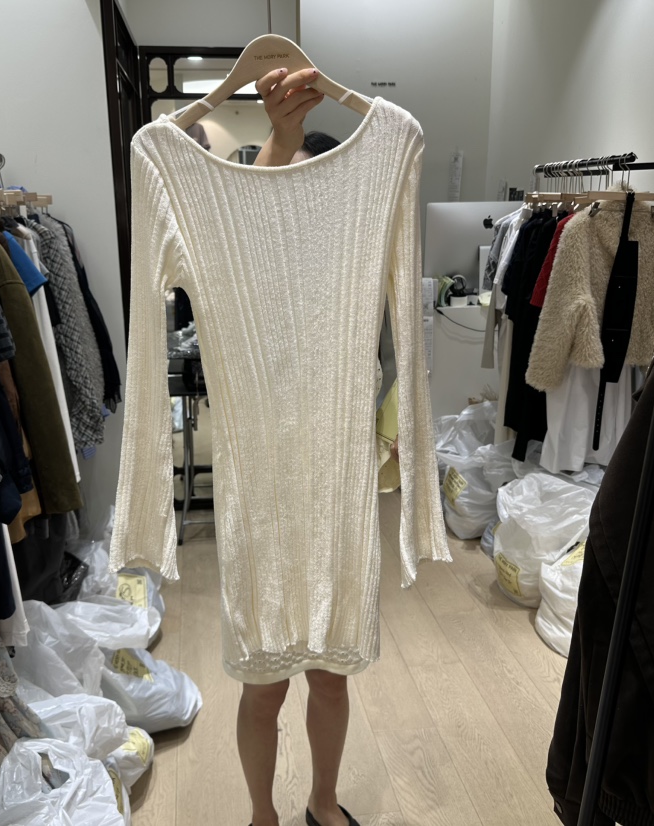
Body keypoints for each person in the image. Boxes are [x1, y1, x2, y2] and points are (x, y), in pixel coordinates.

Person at [237, 67, 360, 826]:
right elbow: (247, 226)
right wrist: (279, 144)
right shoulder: (253, 280)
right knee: (263, 682)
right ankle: (263, 815)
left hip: (332, 492)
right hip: (262, 494)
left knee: (331, 676)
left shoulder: (349, 273)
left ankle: (323, 801)